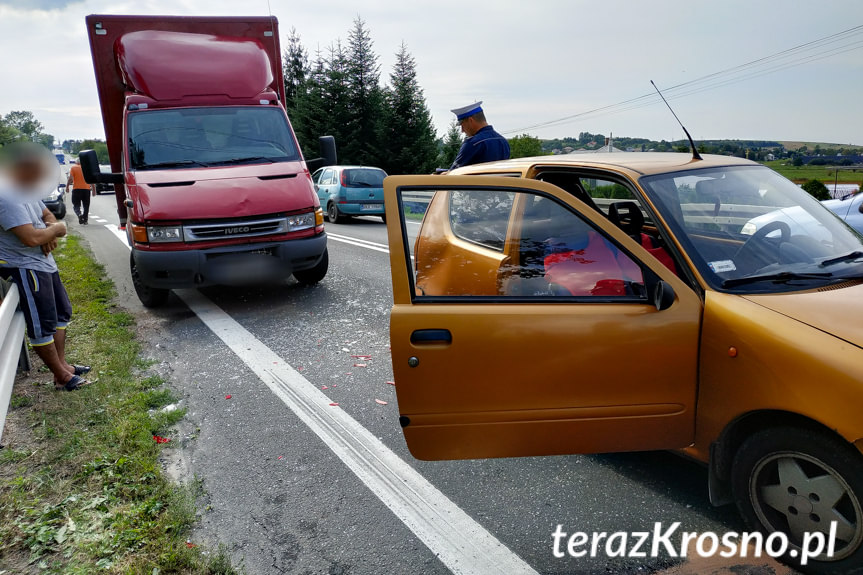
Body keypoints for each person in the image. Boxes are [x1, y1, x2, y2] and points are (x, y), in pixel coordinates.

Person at [0, 143, 91, 391]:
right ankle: (61, 376)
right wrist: (56, 231)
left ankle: (63, 366)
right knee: (42, 323)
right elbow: (30, 238)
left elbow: (47, 215)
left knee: (61, 314)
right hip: (24, 266)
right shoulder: (6, 196)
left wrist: (49, 233)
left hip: (43, 263)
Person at [449, 101, 510, 170]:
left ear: (470, 121)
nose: (462, 130)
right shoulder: (504, 141)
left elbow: (453, 173)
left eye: (462, 125)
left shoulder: (473, 143)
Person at [67, 159, 94, 225]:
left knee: (76, 205)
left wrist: (67, 186)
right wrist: (94, 190)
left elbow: (70, 179)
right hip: (86, 189)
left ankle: (79, 214)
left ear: (76, 162)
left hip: (76, 189)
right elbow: (91, 179)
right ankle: (85, 220)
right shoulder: (87, 168)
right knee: (86, 206)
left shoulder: (73, 168)